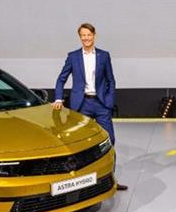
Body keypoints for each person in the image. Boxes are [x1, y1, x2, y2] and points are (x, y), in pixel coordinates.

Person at [53, 23, 127, 190]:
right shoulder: (73, 56)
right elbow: (61, 79)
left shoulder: (104, 55)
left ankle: (110, 179)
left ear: (94, 35)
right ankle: (81, 182)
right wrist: (58, 98)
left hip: (101, 104)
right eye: (83, 35)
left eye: (89, 35)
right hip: (81, 104)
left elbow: (110, 80)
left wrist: (109, 101)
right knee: (80, 144)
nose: (86, 38)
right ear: (80, 37)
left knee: (110, 139)